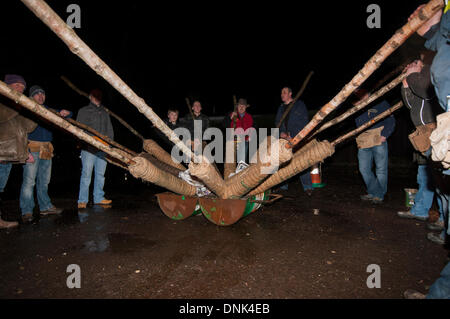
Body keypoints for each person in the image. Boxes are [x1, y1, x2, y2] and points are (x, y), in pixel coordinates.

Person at [403, 2, 450, 299]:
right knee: (437, 183)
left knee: (430, 180)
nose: (413, 13)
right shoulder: (441, 43)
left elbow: (423, 89)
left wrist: (413, 76)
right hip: (432, 138)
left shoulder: (431, 65)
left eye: (420, 8)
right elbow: (411, 100)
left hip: (436, 134)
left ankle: (426, 213)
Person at [396, 59, 443, 229]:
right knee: (424, 175)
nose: (408, 67)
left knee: (440, 176)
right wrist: (406, 86)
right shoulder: (416, 79)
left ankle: (444, 218)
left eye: (413, 64)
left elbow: (426, 92)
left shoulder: (430, 74)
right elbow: (410, 105)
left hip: (436, 130)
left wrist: (414, 75)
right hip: (422, 132)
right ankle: (420, 210)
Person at [19, 85, 72, 223]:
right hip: (32, 148)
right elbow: (20, 131)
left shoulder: (48, 110)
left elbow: (65, 114)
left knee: (44, 181)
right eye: (37, 94)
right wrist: (25, 150)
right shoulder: (27, 108)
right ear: (31, 96)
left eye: (42, 93)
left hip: (47, 149)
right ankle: (27, 210)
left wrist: (65, 113)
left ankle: (45, 207)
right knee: (29, 181)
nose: (40, 96)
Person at [0, 74, 36, 228]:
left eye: (23, 87)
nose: (20, 89)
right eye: (17, 86)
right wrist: (18, 104)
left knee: (0, 187)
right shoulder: (3, 101)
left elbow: (28, 127)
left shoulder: (17, 107)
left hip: (10, 155)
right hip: (1, 151)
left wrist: (34, 112)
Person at [353, 89, 396, 204]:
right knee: (363, 169)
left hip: (378, 138)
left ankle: (379, 195)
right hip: (364, 140)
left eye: (358, 88)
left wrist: (384, 135)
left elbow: (391, 120)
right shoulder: (356, 104)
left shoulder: (379, 101)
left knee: (381, 169)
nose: (356, 91)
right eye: (355, 89)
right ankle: (373, 192)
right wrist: (356, 108)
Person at [76, 89, 114, 209]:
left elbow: (110, 129)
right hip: (88, 148)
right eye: (94, 96)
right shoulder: (83, 111)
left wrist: (110, 145)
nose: (97, 98)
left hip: (103, 148)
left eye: (99, 96)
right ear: (90, 97)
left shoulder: (104, 112)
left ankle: (99, 197)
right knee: (86, 174)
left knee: (100, 174)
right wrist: (84, 141)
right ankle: (82, 200)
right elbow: (78, 129)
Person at [275, 87, 313, 194]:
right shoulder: (281, 108)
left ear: (290, 94)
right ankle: (283, 186)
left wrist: (294, 135)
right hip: (284, 139)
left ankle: (307, 186)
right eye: (281, 92)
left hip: (297, 138)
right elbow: (277, 122)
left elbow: (304, 121)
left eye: (284, 92)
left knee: (301, 160)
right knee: (284, 162)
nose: (282, 94)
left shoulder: (299, 105)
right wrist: (281, 133)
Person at [225, 98, 255, 163]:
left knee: (242, 161)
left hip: (244, 141)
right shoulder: (232, 115)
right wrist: (230, 118)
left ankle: (241, 171)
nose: (241, 108)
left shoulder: (249, 117)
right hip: (233, 141)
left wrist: (248, 137)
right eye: (240, 106)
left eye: (243, 106)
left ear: (246, 107)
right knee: (231, 162)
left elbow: (250, 129)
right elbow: (224, 125)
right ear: (237, 107)